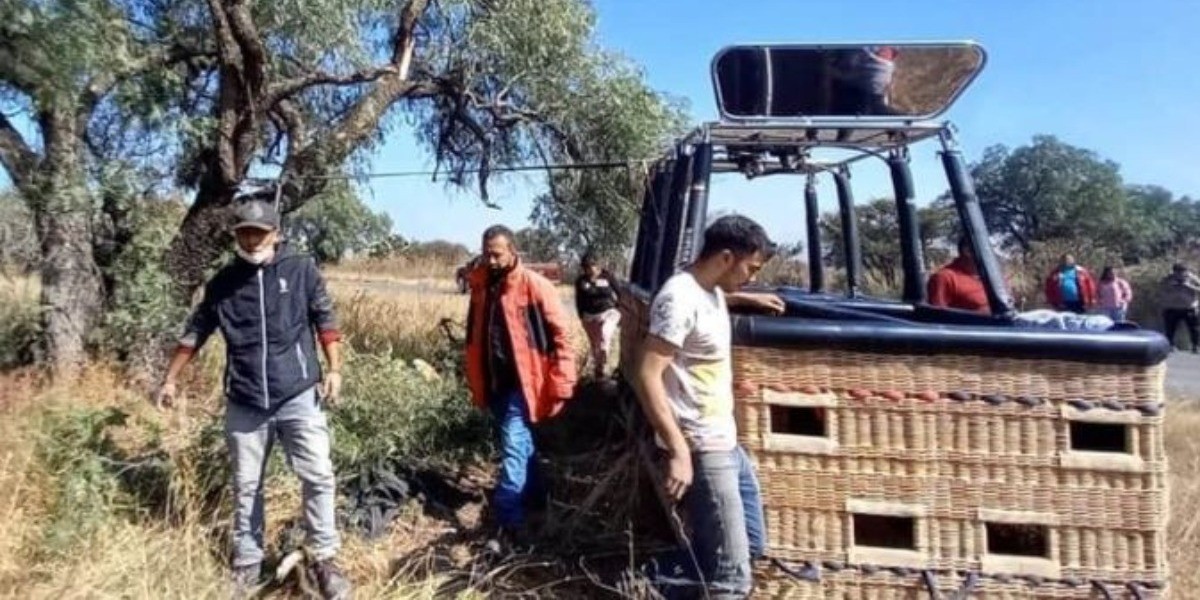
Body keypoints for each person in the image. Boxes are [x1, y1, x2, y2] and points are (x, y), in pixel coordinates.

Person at [155, 199, 351, 600]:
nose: (251, 240)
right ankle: (247, 564)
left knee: (318, 476)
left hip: (298, 393)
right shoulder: (223, 283)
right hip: (245, 400)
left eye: (259, 233)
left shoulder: (300, 270)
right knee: (246, 485)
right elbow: (195, 332)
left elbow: (325, 321)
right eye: (244, 233)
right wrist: (170, 380)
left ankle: (325, 560)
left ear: (276, 234)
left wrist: (334, 370)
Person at [635, 215, 786, 599]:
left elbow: (705, 305)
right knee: (732, 579)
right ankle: (653, 581)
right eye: (751, 269)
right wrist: (679, 451)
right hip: (701, 446)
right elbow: (647, 374)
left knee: (751, 544)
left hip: (726, 442)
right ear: (725, 258)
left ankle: (654, 580)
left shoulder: (710, 291)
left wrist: (745, 299)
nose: (752, 277)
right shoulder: (679, 299)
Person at [463, 225, 577, 543]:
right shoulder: (482, 287)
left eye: (497, 254)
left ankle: (507, 520)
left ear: (513, 251)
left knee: (513, 445)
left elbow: (562, 337)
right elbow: (475, 336)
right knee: (522, 444)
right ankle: (538, 496)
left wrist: (562, 382)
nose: (491, 260)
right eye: (486, 254)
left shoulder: (535, 286)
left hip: (524, 384)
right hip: (494, 383)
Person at [574, 252, 622, 379]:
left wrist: (620, 307)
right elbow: (579, 300)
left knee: (605, 335)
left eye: (592, 266)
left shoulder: (607, 277)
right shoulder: (581, 281)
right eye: (586, 267)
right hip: (590, 317)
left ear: (598, 265)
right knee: (595, 345)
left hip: (608, 313)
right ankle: (599, 369)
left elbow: (619, 292)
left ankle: (603, 361)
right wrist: (581, 317)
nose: (590, 270)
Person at [926, 235, 990, 314]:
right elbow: (938, 317)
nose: (991, 255)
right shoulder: (945, 277)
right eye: (987, 250)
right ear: (967, 251)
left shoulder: (991, 278)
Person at [1160, 263, 1200, 353]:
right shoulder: (1168, 278)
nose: (1180, 275)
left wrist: (1189, 286)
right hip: (1172, 307)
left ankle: (1195, 346)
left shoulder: (1192, 278)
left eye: (1182, 272)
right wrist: (1171, 285)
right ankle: (1170, 346)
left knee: (1194, 328)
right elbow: (1161, 288)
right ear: (1174, 272)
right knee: (1170, 329)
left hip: (1189, 307)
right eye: (1177, 272)